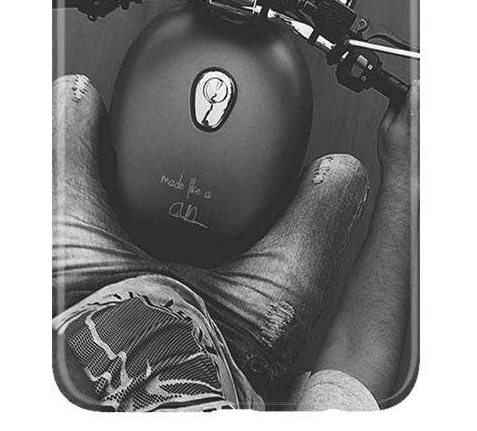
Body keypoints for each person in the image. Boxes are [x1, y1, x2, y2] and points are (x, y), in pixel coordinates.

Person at [52, 74, 418, 412]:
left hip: (82, 294)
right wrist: (406, 176)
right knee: (341, 177)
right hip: (233, 340)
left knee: (71, 97)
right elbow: (351, 374)